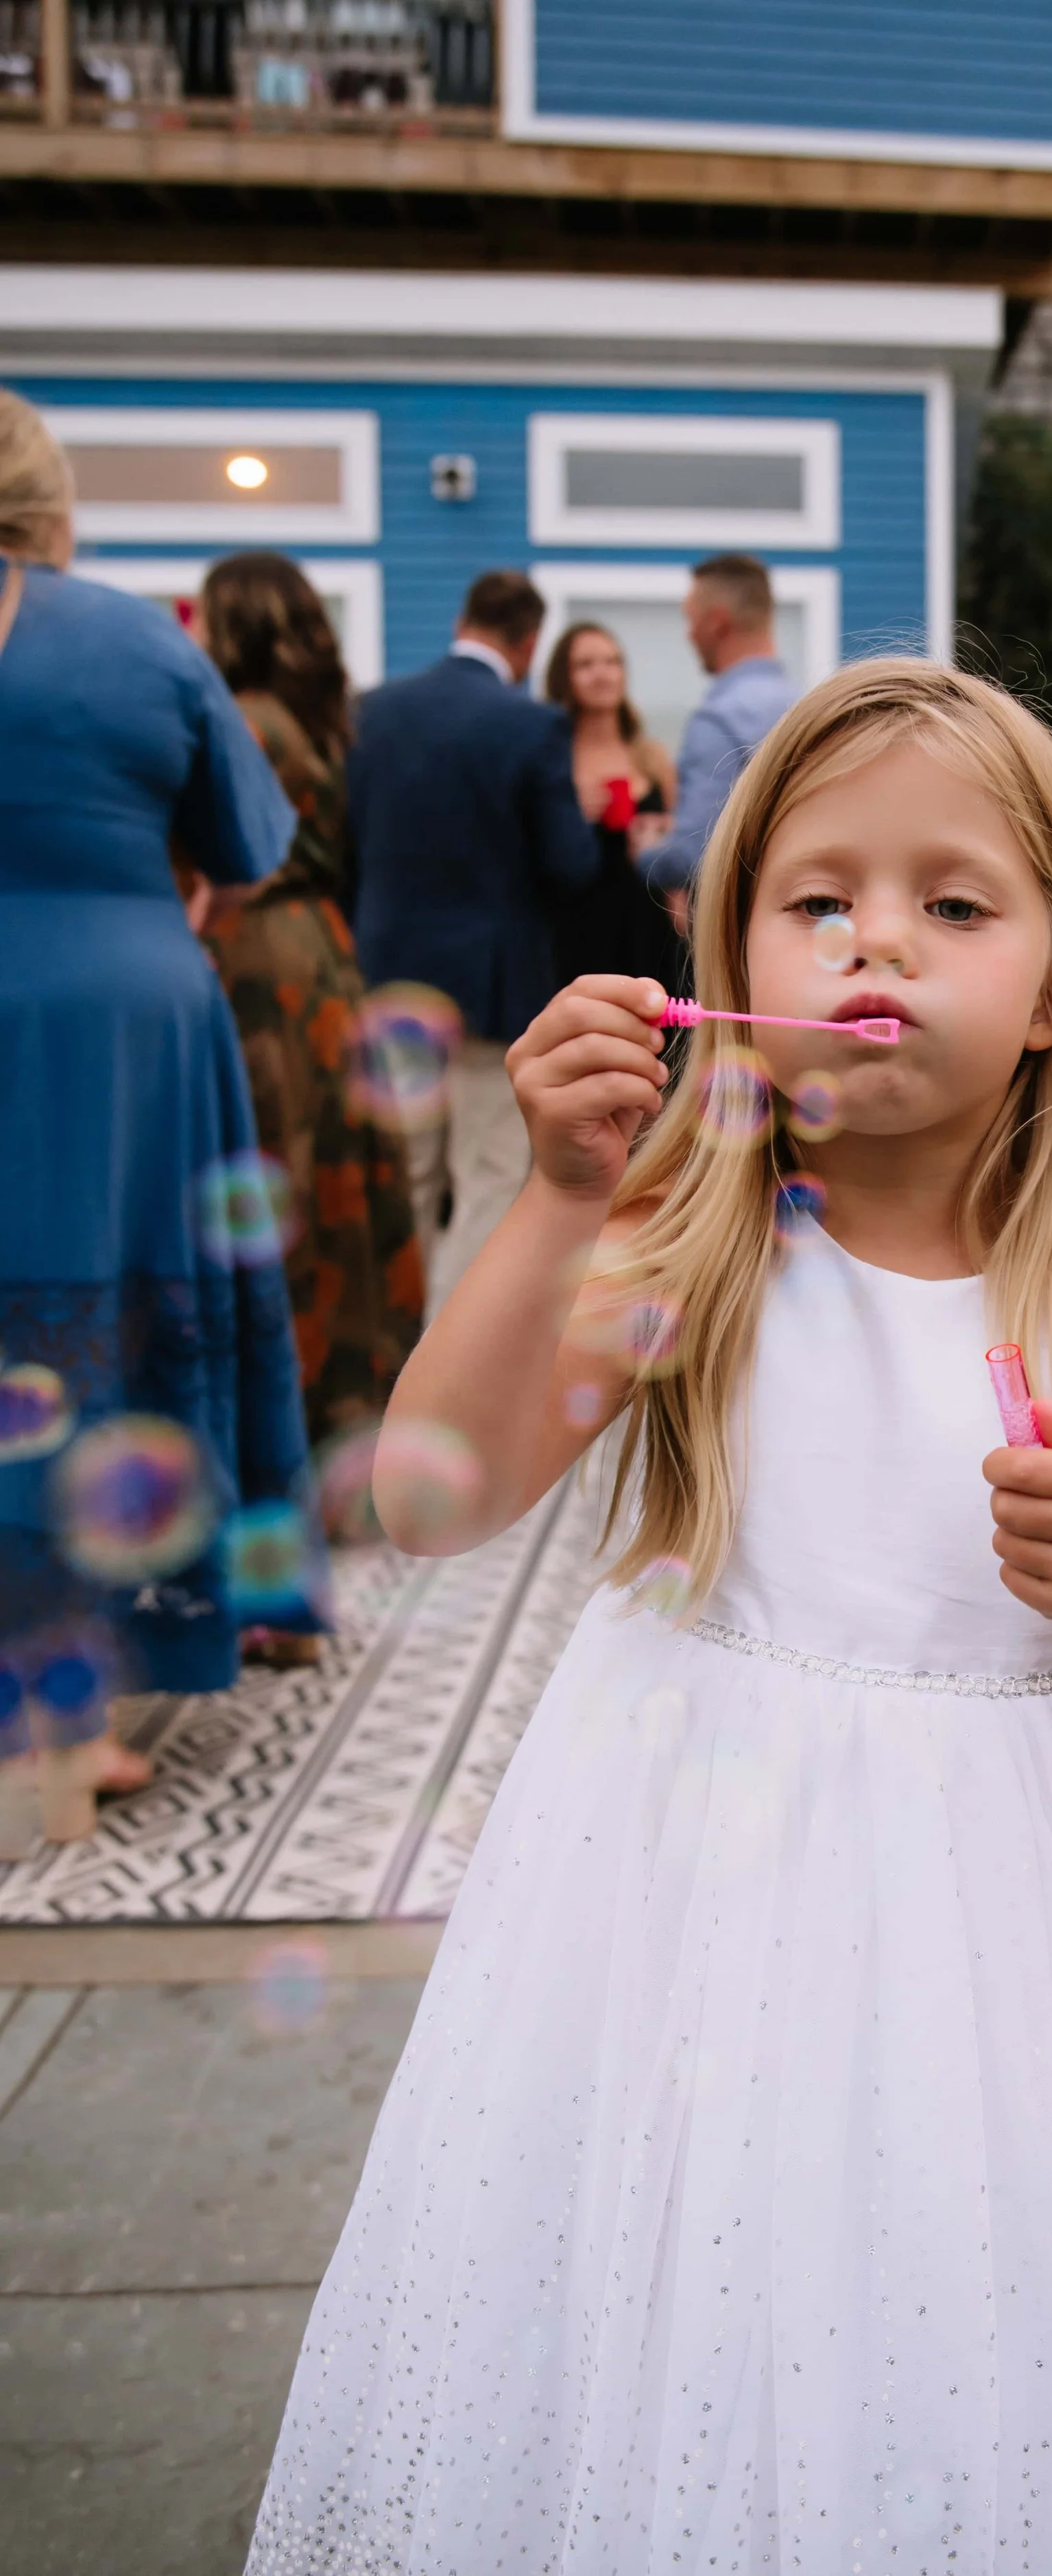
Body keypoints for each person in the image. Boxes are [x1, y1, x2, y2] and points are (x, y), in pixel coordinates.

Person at [248, 660, 1052, 2573]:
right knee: (696, 2298)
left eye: (951, 902)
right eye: (816, 899)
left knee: (961, 2323)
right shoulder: (686, 1243)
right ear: (722, 949)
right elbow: (436, 1487)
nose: (874, 943)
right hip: (688, 1893)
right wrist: (558, 1196)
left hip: (1012, 1941)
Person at [0, 392, 317, 1838]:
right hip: (126, 1010)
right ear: (53, 506)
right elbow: (250, 842)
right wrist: (171, 905)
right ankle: (93, 1686)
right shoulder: (134, 638)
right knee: (130, 1309)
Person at [196, 552, 425, 1477]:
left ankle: (285, 1409)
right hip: (321, 951)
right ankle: (346, 1400)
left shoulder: (247, 722)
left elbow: (219, 855)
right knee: (337, 1179)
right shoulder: (320, 719)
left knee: (282, 1174)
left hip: (259, 959)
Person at [347, 568, 599, 1310]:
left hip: (388, 969)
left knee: (410, 1175)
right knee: (489, 1168)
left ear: (462, 619)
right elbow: (570, 864)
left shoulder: (371, 711)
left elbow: (347, 842)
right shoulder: (530, 725)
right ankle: (444, 1355)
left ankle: (397, 1346)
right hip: (492, 983)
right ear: (528, 642)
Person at [641, 550, 797, 922]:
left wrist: (648, 850)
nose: (689, 634)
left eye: (690, 619)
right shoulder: (806, 707)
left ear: (715, 623)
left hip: (736, 931)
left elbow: (694, 858)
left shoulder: (720, 720)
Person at [542, 618, 683, 992]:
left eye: (612, 662)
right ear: (564, 678)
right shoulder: (552, 760)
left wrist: (664, 833)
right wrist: (573, 815)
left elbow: (685, 843)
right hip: (578, 933)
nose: (602, 674)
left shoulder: (651, 758)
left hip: (650, 928)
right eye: (586, 665)